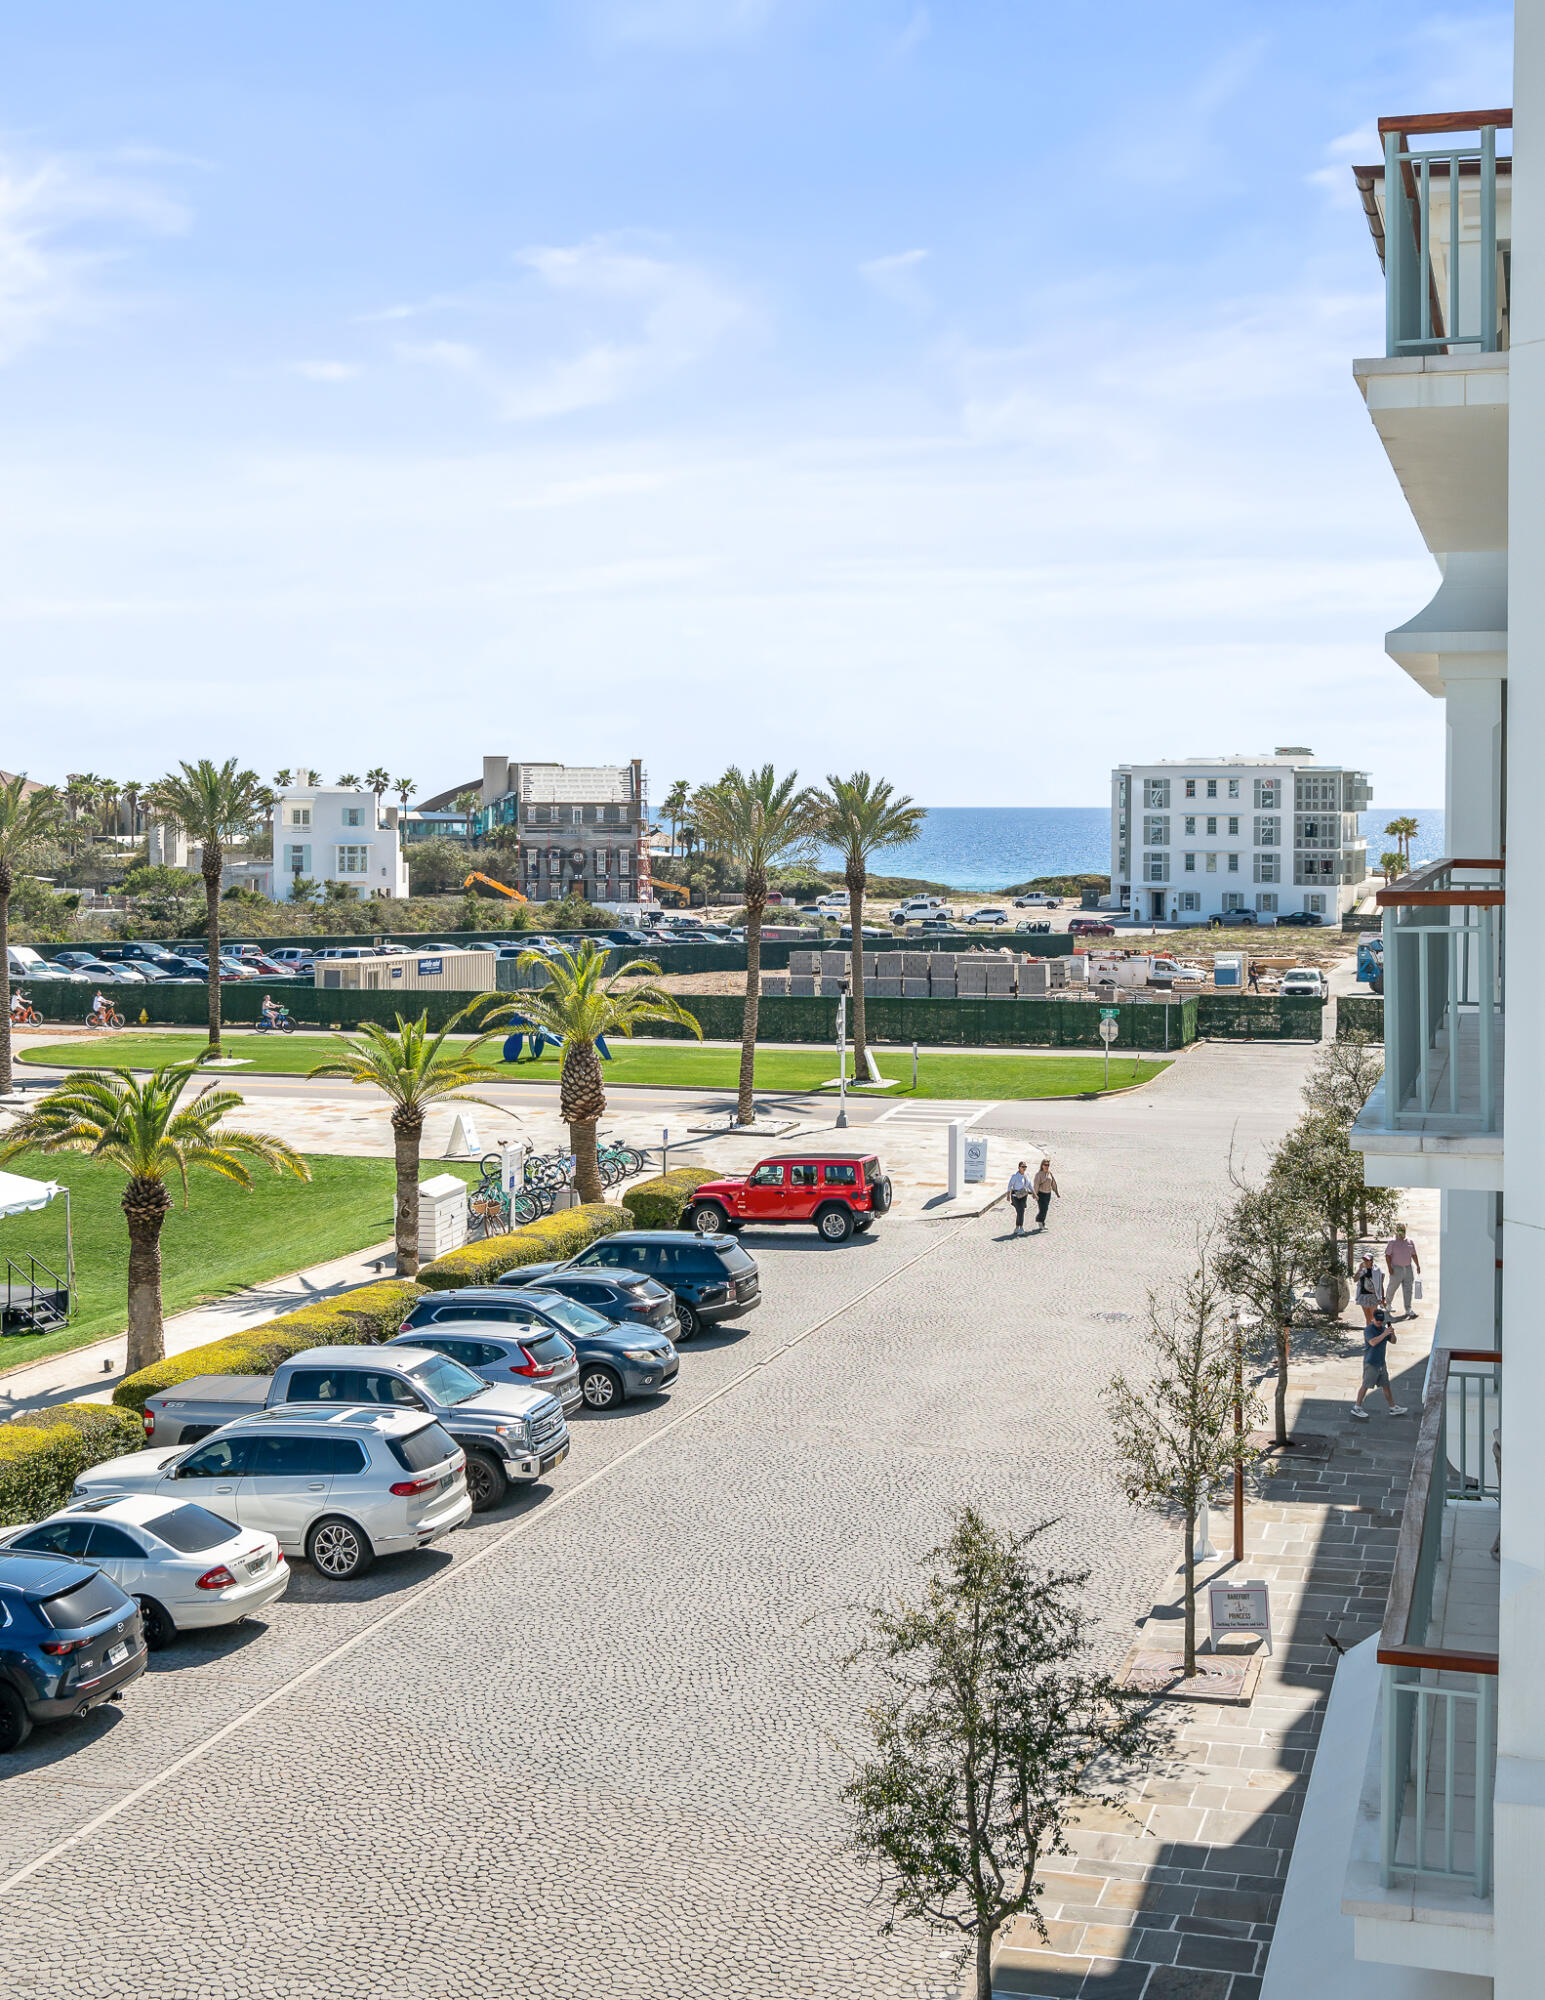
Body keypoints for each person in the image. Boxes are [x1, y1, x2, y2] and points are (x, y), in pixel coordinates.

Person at [1351, 1308, 1407, 1421]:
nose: (1379, 1323)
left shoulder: (1383, 1329)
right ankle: (1357, 1407)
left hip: (1381, 1362)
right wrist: (1384, 1333)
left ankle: (1392, 1407)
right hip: (1371, 1363)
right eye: (1378, 1320)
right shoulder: (1368, 1330)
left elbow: (1393, 1341)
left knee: (1386, 1385)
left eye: (1381, 1321)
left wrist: (1391, 1333)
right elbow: (1373, 1342)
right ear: (1373, 1319)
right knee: (1366, 1384)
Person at [1384, 1223, 1421, 1321]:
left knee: (1408, 1289)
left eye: (1403, 1230)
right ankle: (1388, 1304)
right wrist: (1389, 1268)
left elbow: (1414, 1254)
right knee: (1392, 1288)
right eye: (1399, 1230)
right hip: (1396, 1269)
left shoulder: (1409, 1242)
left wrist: (1417, 1265)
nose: (1401, 1233)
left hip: (1408, 1268)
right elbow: (1387, 1255)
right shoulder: (1392, 1242)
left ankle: (1408, 1309)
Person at [1353, 1251, 1384, 1325]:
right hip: (1363, 1295)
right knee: (1368, 1319)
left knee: (1374, 1318)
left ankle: (1375, 1334)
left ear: (1371, 1261)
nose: (1366, 1262)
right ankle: (1369, 1335)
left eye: (1367, 1260)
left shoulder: (1377, 1270)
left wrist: (1382, 1298)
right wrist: (1359, 1269)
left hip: (1373, 1296)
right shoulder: (1362, 1270)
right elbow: (1355, 1279)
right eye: (1365, 1260)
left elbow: (1380, 1284)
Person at [1032, 1158, 1059, 1230]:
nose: (1047, 1166)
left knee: (1045, 1209)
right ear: (1042, 1165)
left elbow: (1053, 1183)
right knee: (1043, 1209)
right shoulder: (1039, 1174)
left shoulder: (1049, 1173)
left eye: (1048, 1165)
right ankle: (1039, 1220)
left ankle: (1042, 1222)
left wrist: (1056, 1191)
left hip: (1048, 1194)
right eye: (1045, 1165)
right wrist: (1035, 1194)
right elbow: (1036, 1185)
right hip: (1041, 1194)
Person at [1007, 1161, 1030, 1235]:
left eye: (1025, 1167)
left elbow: (1029, 1185)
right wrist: (1008, 1195)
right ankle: (1021, 1228)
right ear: (1019, 1167)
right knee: (1020, 1211)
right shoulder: (1015, 1176)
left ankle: (1017, 1227)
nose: (1024, 1168)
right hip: (1016, 1196)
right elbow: (1010, 1186)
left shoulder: (1026, 1175)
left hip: (1023, 1195)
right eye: (1023, 1167)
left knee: (1021, 1211)